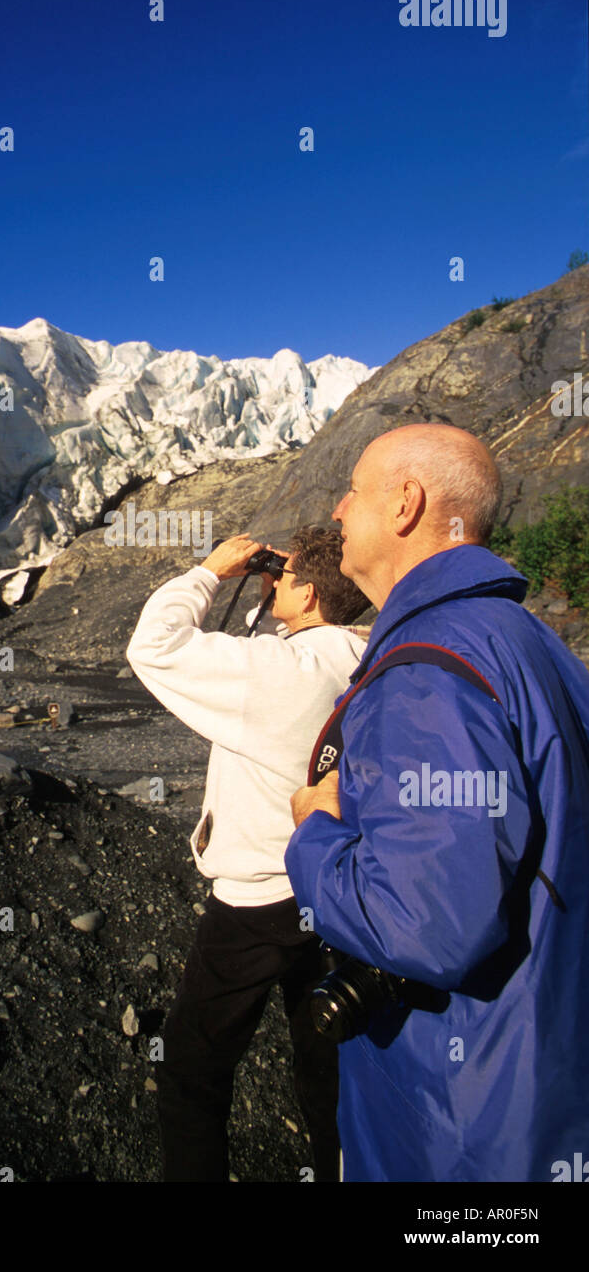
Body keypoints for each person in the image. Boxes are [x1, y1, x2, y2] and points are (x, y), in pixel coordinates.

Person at [285, 423, 589, 1182]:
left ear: (405, 504)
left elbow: (425, 925)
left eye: (353, 489)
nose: (338, 506)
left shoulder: (426, 673)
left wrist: (314, 836)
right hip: (545, 1068)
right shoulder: (521, 636)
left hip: (459, 1117)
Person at [126, 527, 369, 1181]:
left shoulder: (279, 673)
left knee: (191, 1064)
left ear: (309, 591)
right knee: (324, 1061)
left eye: (285, 577)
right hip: (332, 889)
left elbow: (153, 646)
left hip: (257, 897)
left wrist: (208, 572)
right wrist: (279, 599)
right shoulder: (366, 656)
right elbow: (287, 662)